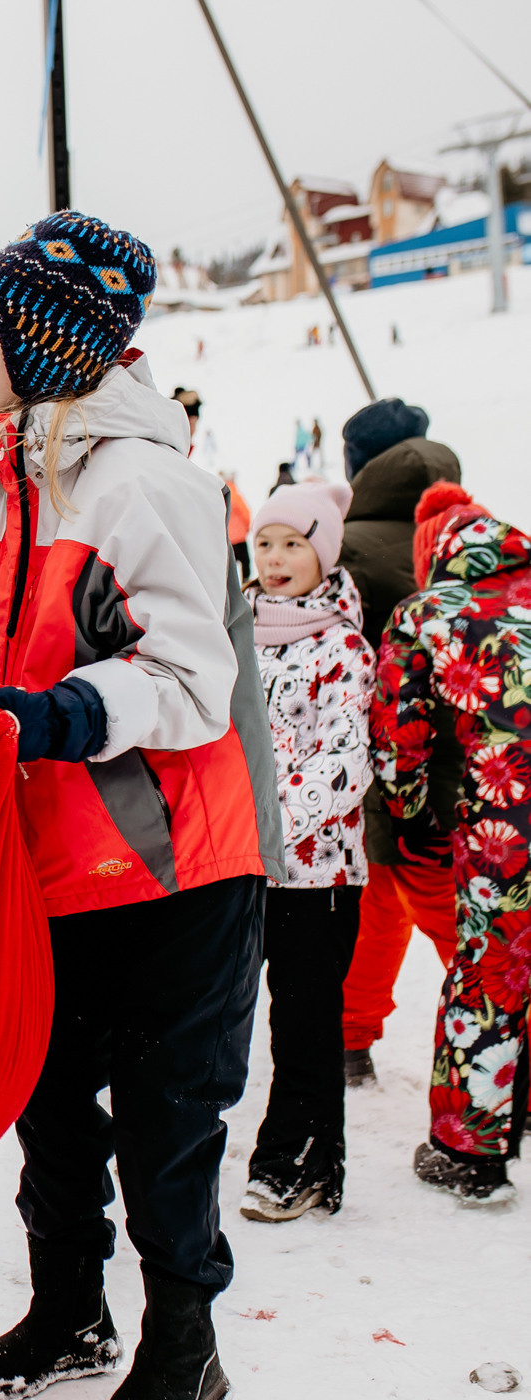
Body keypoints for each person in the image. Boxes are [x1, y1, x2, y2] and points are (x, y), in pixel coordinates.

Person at [0, 212, 278, 1400]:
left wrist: (52, 715)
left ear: (42, 343)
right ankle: (68, 1311)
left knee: (165, 1122)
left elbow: (198, 678)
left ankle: (184, 1346)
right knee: (43, 1104)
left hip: (169, 864)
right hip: (38, 854)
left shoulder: (150, 483)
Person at [372, 482, 530, 1206]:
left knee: (491, 971)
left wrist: (407, 816)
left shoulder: (426, 614)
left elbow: (400, 735)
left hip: (503, 825)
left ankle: (470, 1150)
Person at [241, 481, 374, 1223]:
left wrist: (268, 823)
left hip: (315, 873)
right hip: (238, 864)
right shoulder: (238, 634)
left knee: (303, 1020)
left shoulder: (344, 646)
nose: (278, 557)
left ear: (322, 551)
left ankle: (299, 1162)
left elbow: (346, 765)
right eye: (266, 542)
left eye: (294, 542)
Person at [334, 399, 464, 1086]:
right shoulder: (468, 534)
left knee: (403, 908)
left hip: (384, 768)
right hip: (475, 767)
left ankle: (350, 1042)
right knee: (399, 903)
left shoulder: (346, 551)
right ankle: (350, 1037)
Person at [222, 469, 252, 577]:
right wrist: (247, 527)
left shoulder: (220, 495)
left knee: (231, 565)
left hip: (228, 538)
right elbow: (246, 512)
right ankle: (245, 580)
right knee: (245, 561)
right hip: (240, 536)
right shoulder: (236, 495)